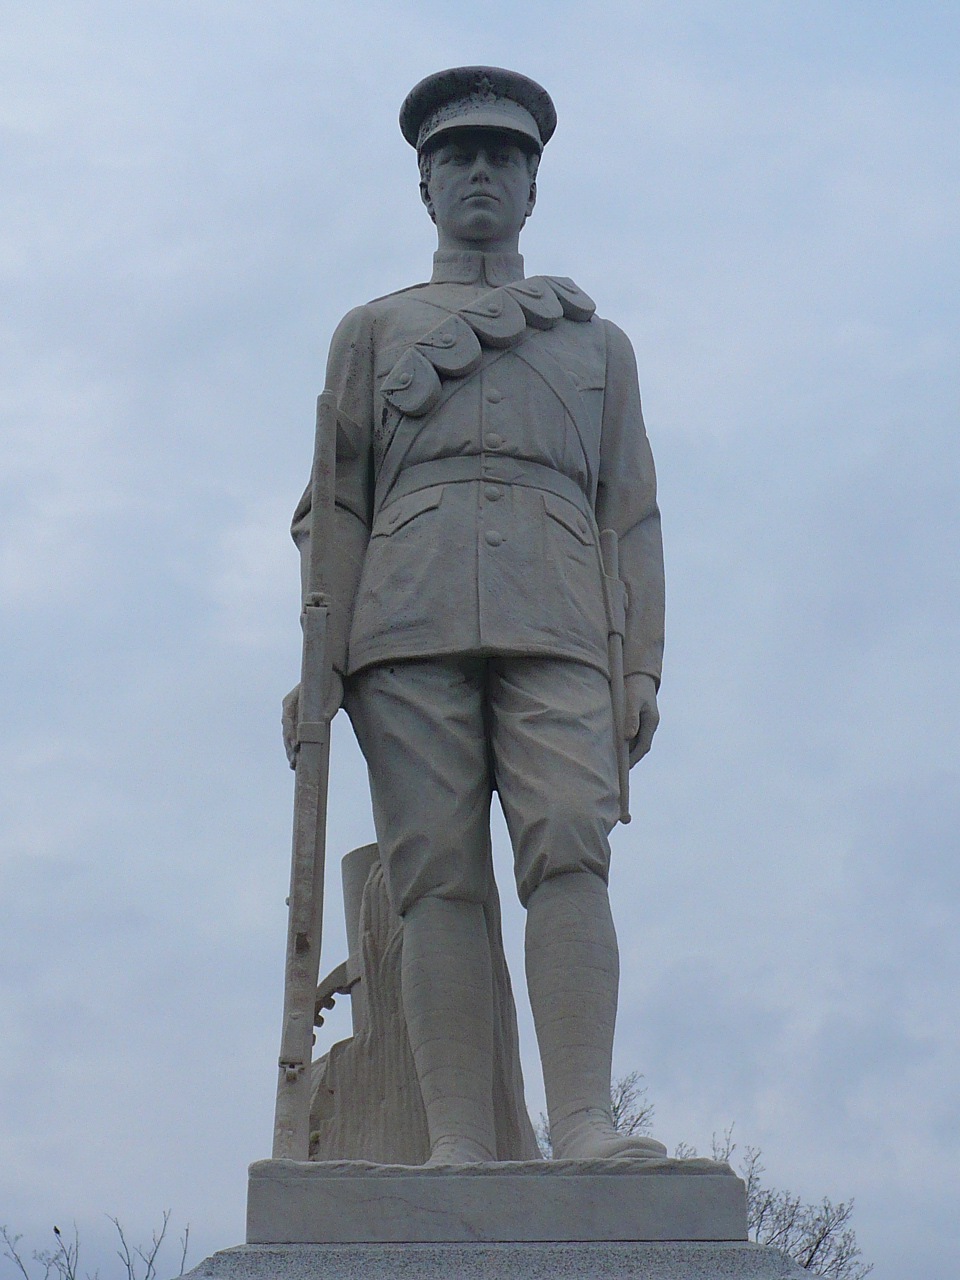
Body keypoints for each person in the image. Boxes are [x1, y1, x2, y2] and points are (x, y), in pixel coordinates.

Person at [283, 66, 666, 1165]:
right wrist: (318, 659)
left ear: (535, 186)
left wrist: (641, 665)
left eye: (505, 156)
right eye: (459, 157)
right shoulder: (372, 330)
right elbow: (336, 504)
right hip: (404, 622)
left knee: (571, 845)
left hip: (562, 620)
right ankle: (457, 1139)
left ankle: (583, 1122)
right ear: (426, 185)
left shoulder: (599, 345)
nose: (482, 173)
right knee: (435, 874)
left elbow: (632, 512)